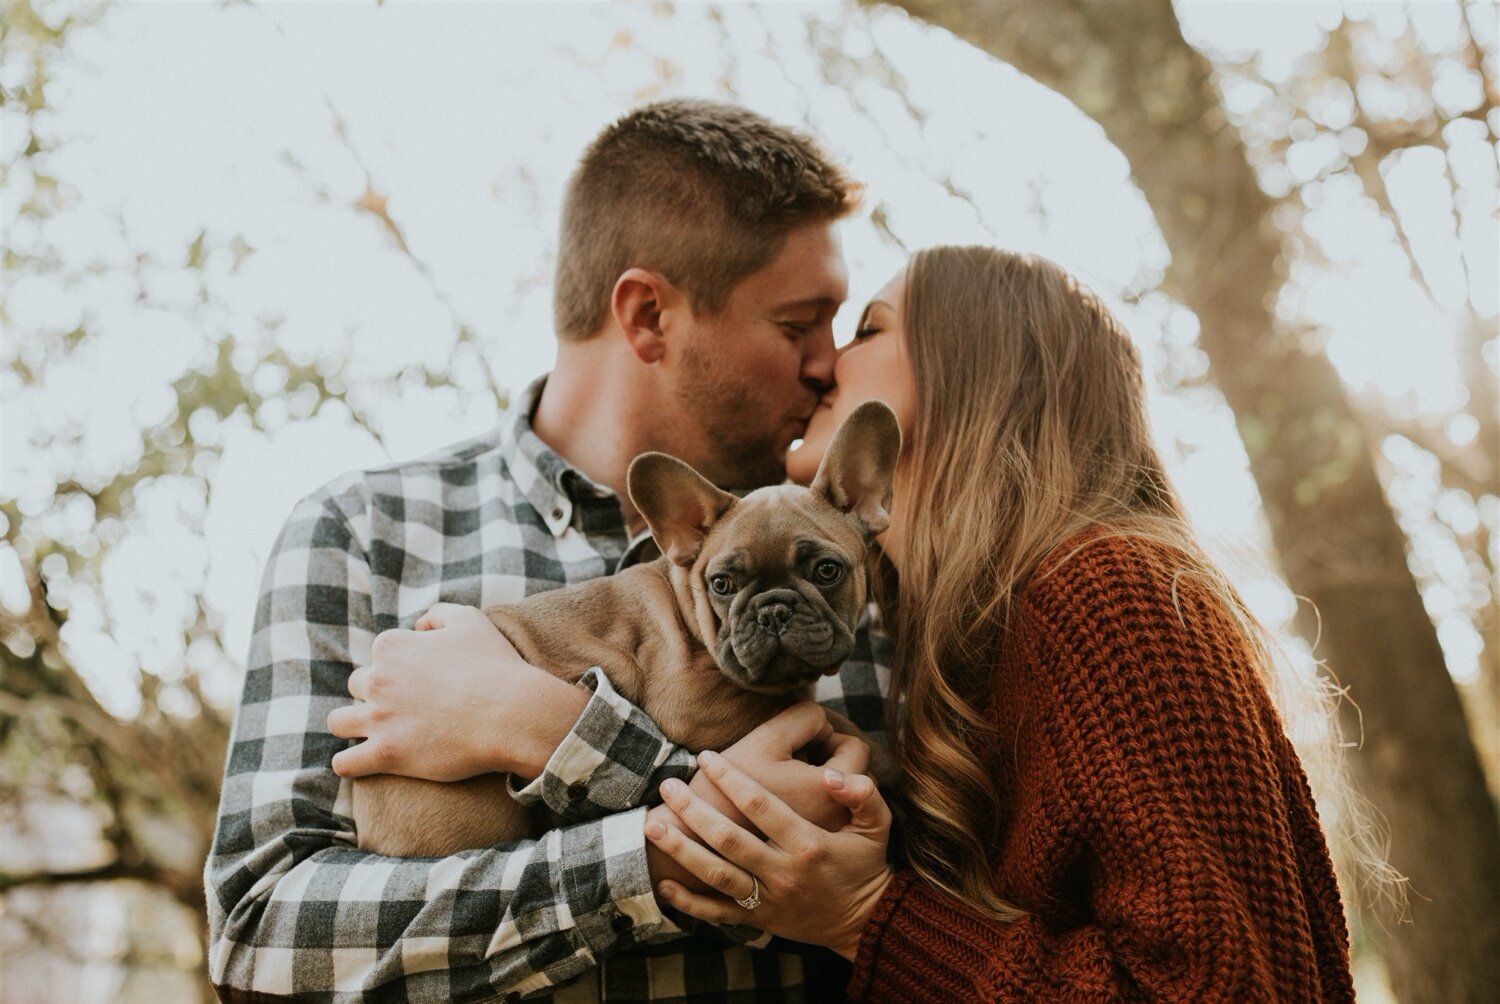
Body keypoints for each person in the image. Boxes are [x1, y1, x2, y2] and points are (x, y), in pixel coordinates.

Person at [204, 98, 889, 1002]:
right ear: (648, 316)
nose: (829, 364)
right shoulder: (368, 535)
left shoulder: (871, 552)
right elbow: (262, 935)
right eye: (800, 324)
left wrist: (541, 728)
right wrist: (648, 851)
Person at [641, 246, 1357, 1001]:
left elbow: (1217, 989)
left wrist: (867, 915)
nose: (821, 365)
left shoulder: (1110, 597)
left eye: (868, 331)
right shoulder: (955, 628)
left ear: (976, 368)